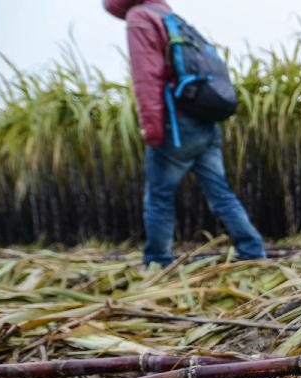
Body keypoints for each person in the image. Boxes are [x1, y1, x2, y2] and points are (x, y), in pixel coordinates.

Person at [103, 0, 265, 266]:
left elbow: (147, 78)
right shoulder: (168, 16)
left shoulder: (140, 18)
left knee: (159, 197)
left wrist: (152, 130)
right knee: (222, 194)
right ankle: (254, 252)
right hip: (203, 120)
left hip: (177, 126)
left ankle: (158, 262)